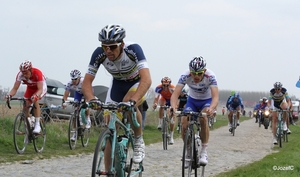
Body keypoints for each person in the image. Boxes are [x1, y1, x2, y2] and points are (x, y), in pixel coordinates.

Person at [82, 24, 152, 164]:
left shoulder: (133, 49)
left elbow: (147, 78)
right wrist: (91, 99)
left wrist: (133, 101)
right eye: (105, 46)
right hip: (117, 85)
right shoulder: (99, 54)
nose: (108, 50)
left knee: (128, 102)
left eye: (113, 46)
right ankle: (109, 171)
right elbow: (87, 82)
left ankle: (138, 140)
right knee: (110, 128)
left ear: (122, 44)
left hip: (136, 83)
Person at [170, 56, 219, 166]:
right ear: (190, 71)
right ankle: (188, 151)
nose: (196, 76)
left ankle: (204, 151)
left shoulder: (210, 76)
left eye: (199, 73)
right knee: (184, 122)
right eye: (193, 73)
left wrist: (211, 108)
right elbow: (175, 95)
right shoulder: (185, 75)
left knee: (203, 117)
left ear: (204, 71)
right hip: (192, 101)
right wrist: (173, 107)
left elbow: (215, 97)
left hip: (206, 101)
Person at [6, 60, 47, 134]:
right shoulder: (20, 75)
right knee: (25, 105)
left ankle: (37, 125)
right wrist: (9, 95)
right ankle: (29, 127)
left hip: (40, 88)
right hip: (30, 88)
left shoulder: (37, 73)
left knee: (35, 100)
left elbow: (40, 89)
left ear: (30, 70)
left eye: (26, 72)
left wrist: (36, 95)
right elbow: (15, 88)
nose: (24, 75)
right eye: (23, 72)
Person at [62, 69, 91, 142]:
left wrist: (86, 102)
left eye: (75, 79)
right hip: (78, 93)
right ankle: (75, 133)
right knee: (76, 109)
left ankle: (88, 118)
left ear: (78, 78)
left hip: (87, 92)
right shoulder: (69, 83)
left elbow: (88, 94)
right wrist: (64, 102)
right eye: (72, 79)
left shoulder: (83, 81)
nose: (74, 81)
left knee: (86, 105)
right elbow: (65, 95)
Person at [152, 76, 176, 144]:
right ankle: (160, 123)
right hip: (164, 99)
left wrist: (173, 107)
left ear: (169, 84)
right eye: (164, 85)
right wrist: (155, 104)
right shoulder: (158, 88)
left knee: (172, 116)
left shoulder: (173, 88)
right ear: (162, 84)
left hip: (172, 99)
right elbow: (156, 98)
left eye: (167, 85)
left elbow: (175, 98)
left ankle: (171, 137)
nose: (165, 87)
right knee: (161, 105)